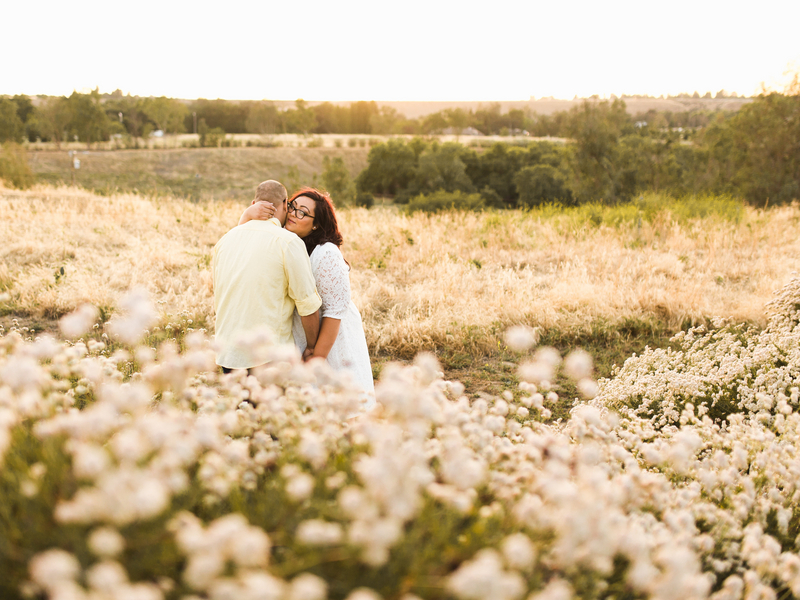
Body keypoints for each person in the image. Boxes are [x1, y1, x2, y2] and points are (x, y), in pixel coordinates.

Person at [239, 188, 375, 406]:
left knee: (339, 406)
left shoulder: (326, 252)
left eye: (302, 212)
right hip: (305, 338)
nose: (293, 214)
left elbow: (334, 312)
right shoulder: (287, 245)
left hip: (330, 341)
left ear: (316, 225)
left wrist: (317, 358)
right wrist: (247, 216)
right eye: (292, 206)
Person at [213, 180, 321, 371]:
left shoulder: (224, 241)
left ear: (253, 204)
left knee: (239, 402)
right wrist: (312, 347)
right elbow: (307, 305)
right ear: (285, 204)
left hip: (227, 354)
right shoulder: (287, 242)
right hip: (268, 358)